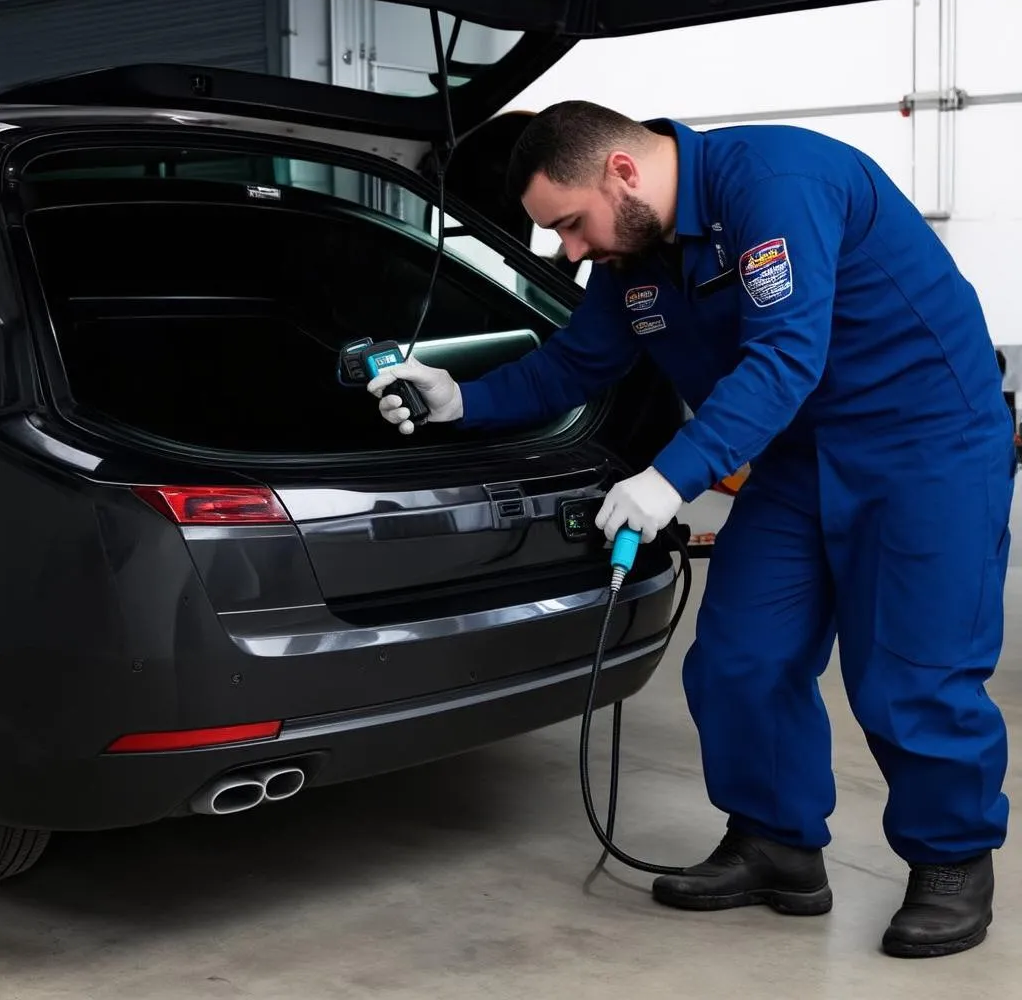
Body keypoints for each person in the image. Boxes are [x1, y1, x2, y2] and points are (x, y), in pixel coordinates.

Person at [367, 101, 1016, 959]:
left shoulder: (779, 185)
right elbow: (574, 363)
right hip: (796, 455)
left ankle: (951, 862)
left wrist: (671, 477)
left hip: (926, 445)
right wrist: (461, 397)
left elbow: (787, 356)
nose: (569, 250)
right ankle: (778, 844)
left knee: (911, 672)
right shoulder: (635, 255)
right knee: (741, 655)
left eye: (569, 224)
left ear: (622, 174)